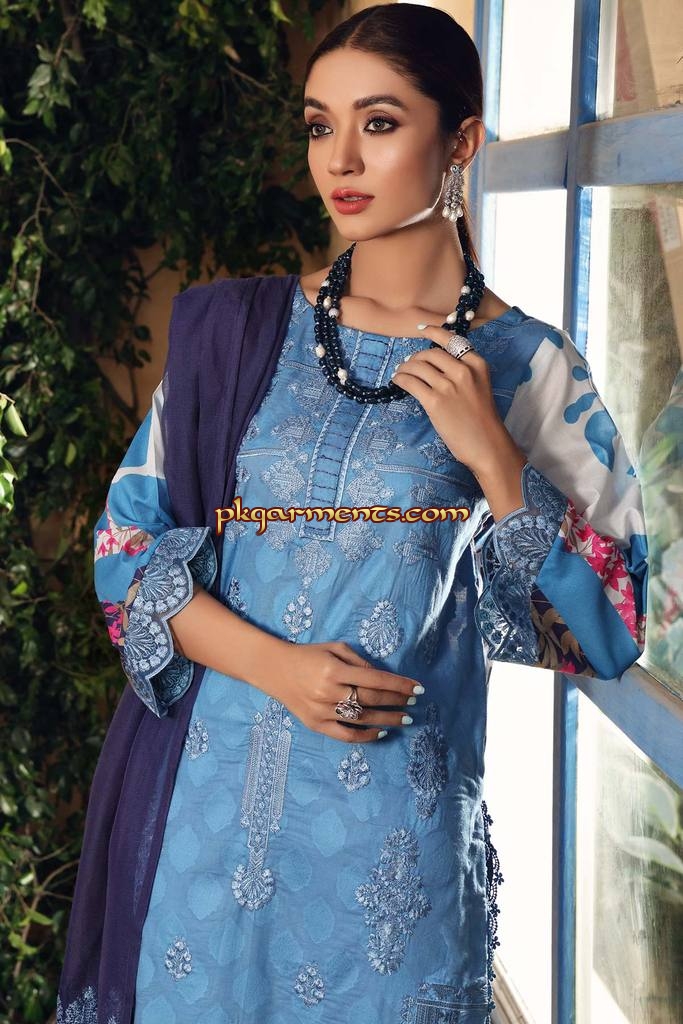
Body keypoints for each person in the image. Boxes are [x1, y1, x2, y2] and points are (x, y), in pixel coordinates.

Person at [57, 5, 649, 1023]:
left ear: (459, 141)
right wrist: (277, 667)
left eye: (378, 123)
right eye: (318, 125)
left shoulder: (527, 364)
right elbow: (123, 554)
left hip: (391, 857)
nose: (339, 158)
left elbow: (614, 626)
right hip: (203, 827)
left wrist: (496, 461)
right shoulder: (240, 333)